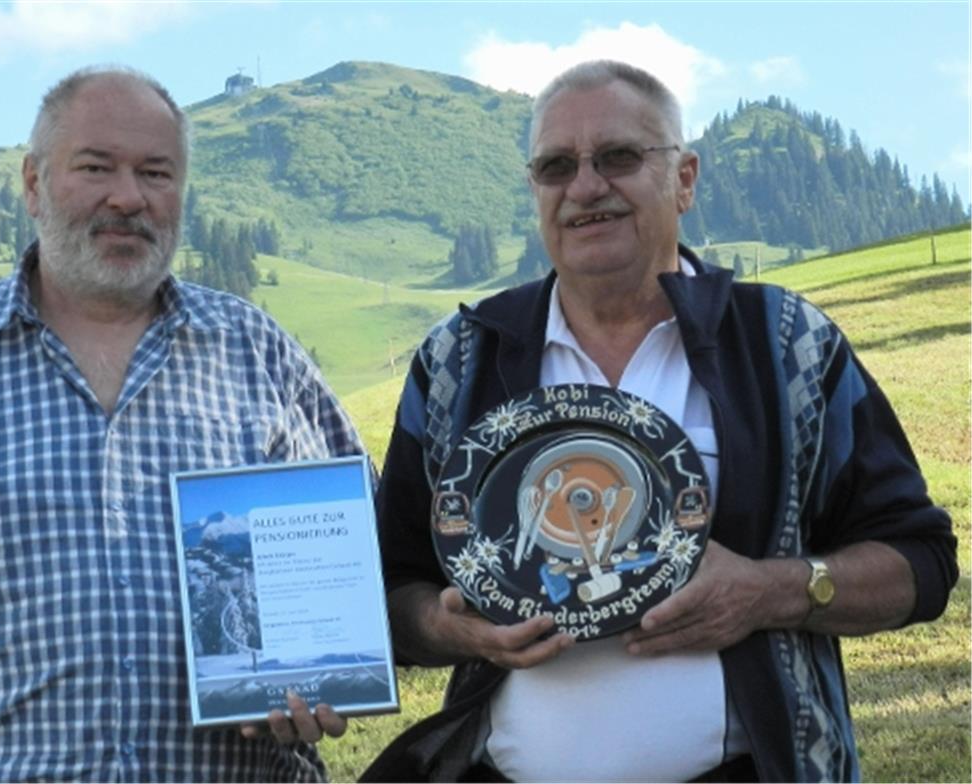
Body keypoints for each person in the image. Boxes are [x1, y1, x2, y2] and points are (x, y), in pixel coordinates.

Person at [363, 60, 957, 783]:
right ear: (535, 191)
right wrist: (447, 628)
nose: (585, 187)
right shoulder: (459, 359)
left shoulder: (785, 345)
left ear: (684, 179)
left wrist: (772, 590)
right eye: (556, 167)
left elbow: (921, 561)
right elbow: (394, 591)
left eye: (618, 157)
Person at [0, 66, 360, 782]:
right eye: (96, 167)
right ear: (34, 184)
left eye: (156, 173)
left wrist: (325, 676)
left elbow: (348, 570)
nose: (128, 197)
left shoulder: (258, 352)